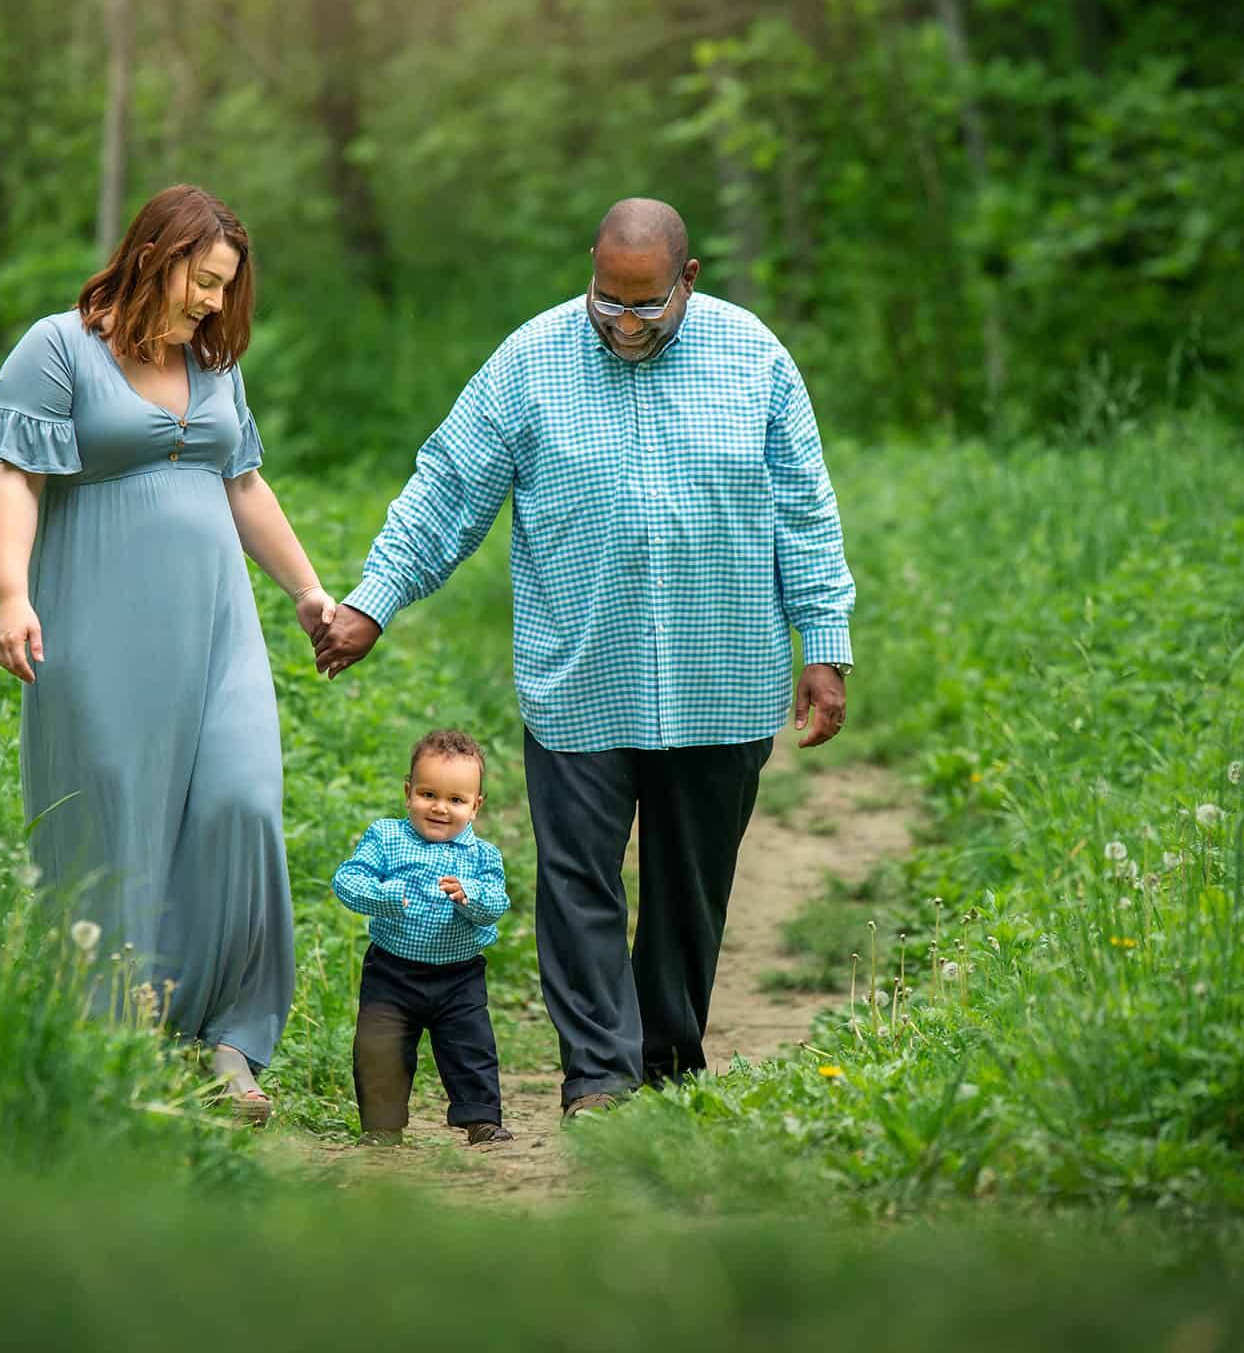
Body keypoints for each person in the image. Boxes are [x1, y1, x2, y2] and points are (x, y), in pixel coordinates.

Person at [313, 198, 856, 1118]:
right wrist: (376, 597)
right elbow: (449, 485)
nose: (625, 323)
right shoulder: (530, 360)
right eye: (609, 300)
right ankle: (599, 1075)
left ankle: (670, 1058)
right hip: (582, 671)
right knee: (577, 879)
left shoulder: (754, 355)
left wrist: (826, 643)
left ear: (688, 281)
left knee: (690, 887)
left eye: (646, 306)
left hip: (719, 674)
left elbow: (805, 506)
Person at [0, 184, 332, 1125]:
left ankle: (229, 1034)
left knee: (243, 800)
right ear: (156, 255)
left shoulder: (212, 366)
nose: (213, 304)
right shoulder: (58, 348)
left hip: (218, 632)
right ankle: (112, 1043)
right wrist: (13, 594)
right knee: (112, 826)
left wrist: (306, 591)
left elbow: (243, 480)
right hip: (95, 625)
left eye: (225, 289)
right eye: (204, 282)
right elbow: (16, 475)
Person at [331, 728, 513, 1146]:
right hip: (392, 971)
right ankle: (382, 1126)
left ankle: (482, 1120)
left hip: (459, 975)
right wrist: (384, 896)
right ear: (408, 791)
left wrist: (470, 898)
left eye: (456, 800)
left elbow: (496, 902)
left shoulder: (482, 856)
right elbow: (348, 880)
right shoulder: (387, 838)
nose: (440, 809)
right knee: (380, 1049)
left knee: (471, 1049)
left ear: (475, 806)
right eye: (428, 794)